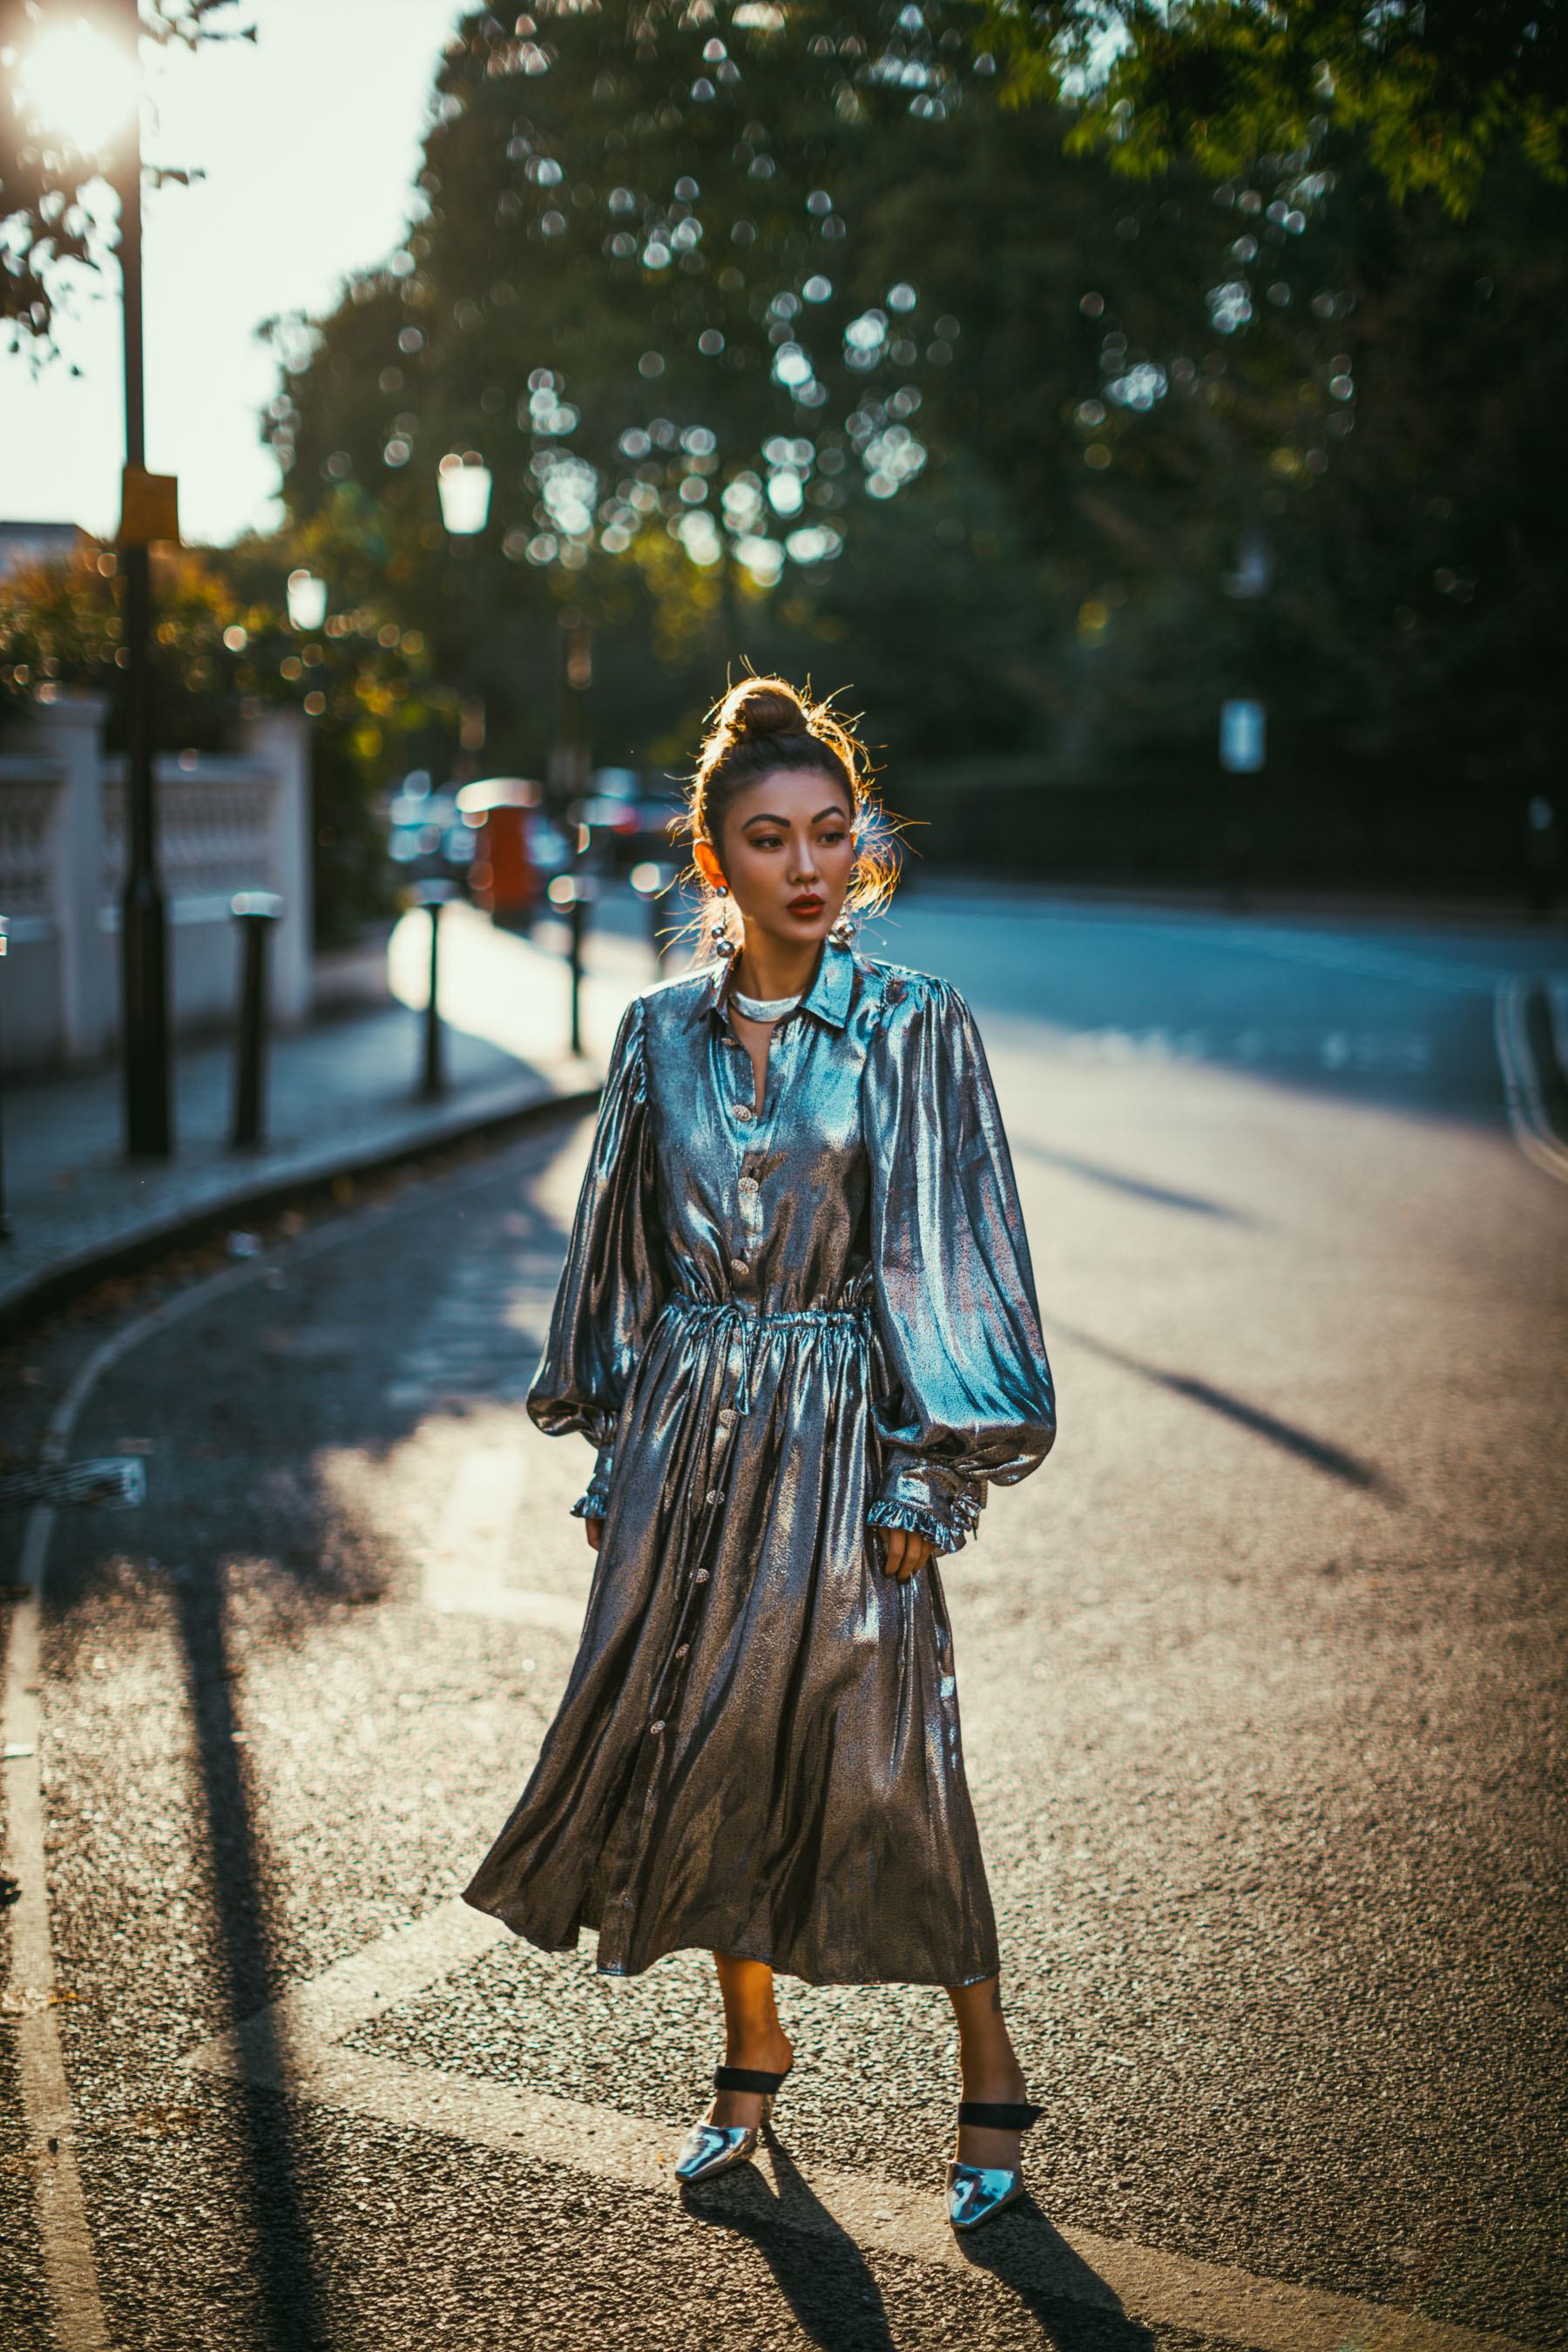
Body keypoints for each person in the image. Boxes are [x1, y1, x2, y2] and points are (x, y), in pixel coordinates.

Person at [463, 676, 1057, 2231]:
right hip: (684, 1443)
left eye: (835, 834)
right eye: (772, 840)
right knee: (701, 1745)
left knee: (895, 1761)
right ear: (714, 861)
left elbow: (962, 1261)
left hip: (851, 1438)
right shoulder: (656, 1033)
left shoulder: (917, 1026)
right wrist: (612, 1456)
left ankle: (987, 2066)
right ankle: (749, 2053)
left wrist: (930, 1474)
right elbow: (619, 1265)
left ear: (863, 846)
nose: (812, 867)